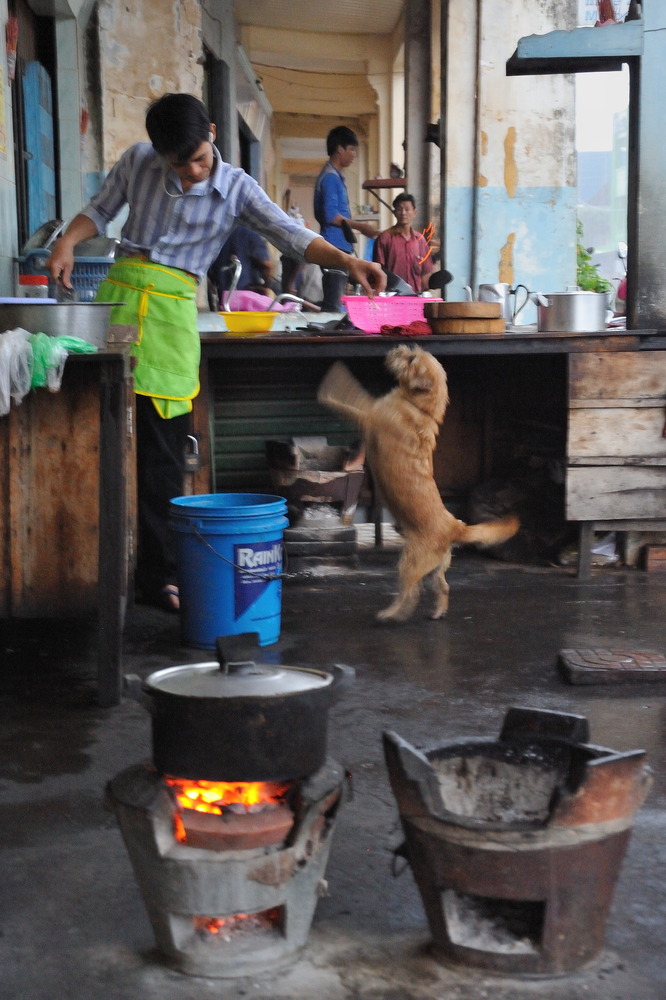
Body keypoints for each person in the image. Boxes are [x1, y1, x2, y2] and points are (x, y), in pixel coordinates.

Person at [46, 93, 385, 612]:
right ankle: (86, 569)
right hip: (115, 305)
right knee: (97, 440)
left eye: (199, 161)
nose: (190, 176)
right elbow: (100, 209)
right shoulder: (139, 158)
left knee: (161, 457)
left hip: (170, 317)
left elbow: (291, 235)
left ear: (212, 132)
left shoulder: (237, 190)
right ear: (159, 153)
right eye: (178, 166)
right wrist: (68, 241)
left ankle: (158, 576)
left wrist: (347, 262)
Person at [313, 125, 377, 311]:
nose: (354, 154)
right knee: (333, 305)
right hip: (335, 248)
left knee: (337, 300)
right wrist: (362, 227)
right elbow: (331, 216)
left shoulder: (334, 176)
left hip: (338, 247)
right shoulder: (331, 178)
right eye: (352, 149)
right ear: (339, 149)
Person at [373, 192, 434, 293]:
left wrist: (426, 293)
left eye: (407, 209)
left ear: (414, 212)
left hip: (415, 296)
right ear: (394, 212)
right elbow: (378, 270)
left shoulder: (420, 240)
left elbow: (426, 273)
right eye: (399, 209)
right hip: (392, 296)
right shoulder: (385, 238)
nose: (403, 213)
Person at [210, 224, 279, 303]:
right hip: (247, 296)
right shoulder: (251, 232)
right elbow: (267, 265)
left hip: (225, 297)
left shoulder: (218, 233)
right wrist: (268, 285)